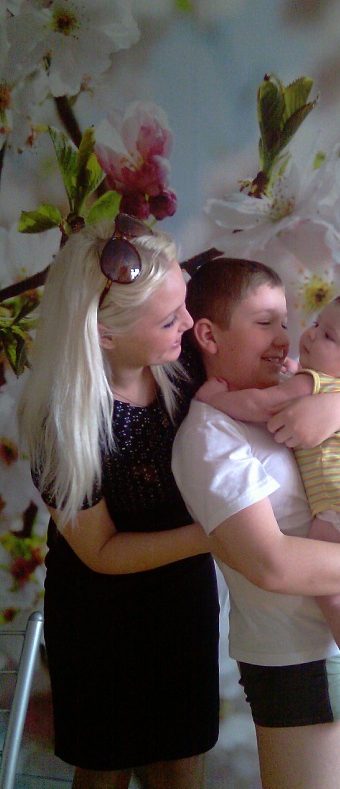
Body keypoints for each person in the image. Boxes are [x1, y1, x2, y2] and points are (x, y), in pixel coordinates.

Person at [171, 258, 340, 789]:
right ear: (209, 336)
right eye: (264, 322)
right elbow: (272, 565)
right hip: (301, 656)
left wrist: (337, 411)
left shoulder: (298, 391)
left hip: (330, 645)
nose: (285, 337)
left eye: (286, 322)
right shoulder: (211, 434)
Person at [17, 215, 220, 789]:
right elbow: (101, 551)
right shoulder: (63, 424)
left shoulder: (186, 364)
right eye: (169, 318)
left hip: (183, 603)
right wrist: (216, 534)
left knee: (183, 764)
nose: (189, 322)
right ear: (104, 334)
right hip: (100, 620)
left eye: (183, 304)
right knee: (104, 769)